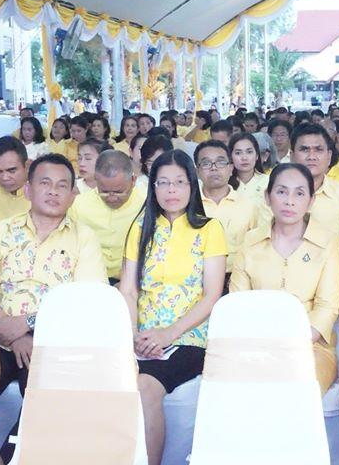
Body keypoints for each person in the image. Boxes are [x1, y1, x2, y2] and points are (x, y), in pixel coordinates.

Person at [0, 153, 107, 463]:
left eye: (62, 185)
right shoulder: (2, 232)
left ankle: (8, 457)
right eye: (45, 183)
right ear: (28, 189)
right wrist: (16, 334)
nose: (53, 191)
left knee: (45, 398)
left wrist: (29, 324)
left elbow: (84, 303)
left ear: (73, 194)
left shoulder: (84, 239)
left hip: (52, 344)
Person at [119, 149, 226, 465]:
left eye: (179, 182)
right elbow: (128, 290)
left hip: (188, 338)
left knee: (144, 386)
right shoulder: (140, 228)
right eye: (163, 182)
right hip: (141, 338)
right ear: (152, 187)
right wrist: (133, 334)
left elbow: (211, 296)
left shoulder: (209, 229)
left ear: (192, 185)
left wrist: (168, 334)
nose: (171, 190)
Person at [229, 163, 339, 394]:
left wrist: (293, 343)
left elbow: (327, 306)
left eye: (299, 194)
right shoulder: (250, 242)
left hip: (311, 346)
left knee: (295, 387)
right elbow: (238, 304)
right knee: (238, 388)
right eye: (281, 192)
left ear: (311, 201)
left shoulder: (327, 242)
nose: (290, 201)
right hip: (257, 344)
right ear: (267, 197)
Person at [258, 123, 339, 248]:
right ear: (292, 156)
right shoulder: (274, 193)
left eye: (318, 150)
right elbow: (264, 243)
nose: (312, 157)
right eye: (304, 149)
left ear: (329, 156)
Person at [70, 150, 146, 284]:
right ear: (96, 180)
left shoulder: (146, 204)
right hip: (91, 280)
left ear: (133, 180)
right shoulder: (78, 205)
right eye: (104, 192)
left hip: (135, 280)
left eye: (119, 192)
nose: (112, 198)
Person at [195, 140, 257, 281]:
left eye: (221, 162)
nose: (214, 168)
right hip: (197, 280)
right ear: (197, 171)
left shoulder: (249, 206)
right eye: (206, 163)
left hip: (237, 279)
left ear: (231, 168)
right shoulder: (189, 206)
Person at [228, 132, 269, 207]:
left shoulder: (268, 182)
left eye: (249, 152)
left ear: (257, 155)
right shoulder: (224, 183)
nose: (244, 158)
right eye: (238, 153)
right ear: (230, 157)